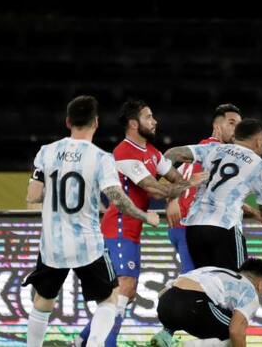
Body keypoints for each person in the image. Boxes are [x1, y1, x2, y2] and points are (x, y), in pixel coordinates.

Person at [23, 96, 160, 347]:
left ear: (68, 122)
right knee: (110, 299)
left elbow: (32, 195)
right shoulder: (101, 158)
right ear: (96, 123)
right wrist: (144, 215)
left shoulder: (47, 152)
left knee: (43, 302)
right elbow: (117, 200)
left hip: (53, 243)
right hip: (87, 244)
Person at [79, 100, 202, 347]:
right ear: (134, 123)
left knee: (128, 292)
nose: (154, 121)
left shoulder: (153, 153)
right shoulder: (123, 152)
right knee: (124, 287)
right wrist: (186, 186)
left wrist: (174, 198)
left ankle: (83, 340)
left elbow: (174, 178)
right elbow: (153, 188)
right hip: (118, 228)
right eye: (148, 117)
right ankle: (105, 343)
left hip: (132, 231)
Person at [164, 119, 262, 271]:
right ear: (258, 141)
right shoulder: (259, 165)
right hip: (225, 227)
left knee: (205, 283)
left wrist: (175, 192)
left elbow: (171, 154)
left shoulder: (213, 149)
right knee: (235, 282)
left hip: (194, 227)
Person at [166, 104, 243, 273]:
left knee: (198, 281)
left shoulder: (196, 151)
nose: (237, 129)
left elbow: (174, 177)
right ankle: (170, 295)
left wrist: (173, 199)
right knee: (204, 282)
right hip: (193, 225)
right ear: (217, 127)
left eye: (239, 124)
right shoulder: (221, 152)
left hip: (179, 226)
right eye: (231, 123)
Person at [149, 258, 262, 347]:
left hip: (164, 304)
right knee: (236, 331)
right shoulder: (250, 291)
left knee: (216, 311)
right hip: (192, 305)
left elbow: (161, 294)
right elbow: (235, 330)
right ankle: (187, 346)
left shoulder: (214, 270)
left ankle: (164, 337)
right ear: (260, 284)